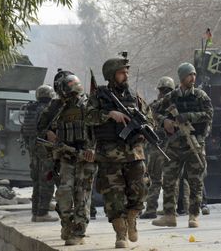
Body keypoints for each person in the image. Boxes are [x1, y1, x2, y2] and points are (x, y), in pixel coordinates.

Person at [86, 58, 150, 248]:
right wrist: (109, 115)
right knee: (114, 197)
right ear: (112, 75)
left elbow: (149, 117)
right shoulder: (99, 96)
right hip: (109, 156)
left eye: (127, 72)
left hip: (134, 154)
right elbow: (87, 117)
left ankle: (132, 218)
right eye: (122, 72)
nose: (126, 75)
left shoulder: (134, 96)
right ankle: (120, 234)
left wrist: (144, 127)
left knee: (140, 190)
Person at [38, 71, 96, 246]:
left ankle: (78, 231)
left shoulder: (90, 104)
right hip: (65, 156)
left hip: (86, 157)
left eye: (75, 92)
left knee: (82, 195)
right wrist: (48, 133)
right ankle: (67, 224)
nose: (73, 96)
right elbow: (39, 128)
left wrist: (93, 149)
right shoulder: (55, 107)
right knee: (64, 193)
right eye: (69, 93)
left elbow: (101, 130)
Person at [152, 62, 213, 228]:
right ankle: (169, 215)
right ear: (182, 77)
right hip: (175, 145)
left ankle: (193, 215)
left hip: (195, 144)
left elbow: (208, 114)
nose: (193, 78)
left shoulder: (200, 96)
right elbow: (155, 110)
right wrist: (165, 121)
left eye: (194, 74)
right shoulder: (171, 97)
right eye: (189, 75)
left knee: (195, 181)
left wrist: (187, 116)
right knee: (169, 181)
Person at [21, 84, 58, 222]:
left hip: (33, 148)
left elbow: (25, 131)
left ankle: (35, 212)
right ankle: (42, 213)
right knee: (47, 180)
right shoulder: (48, 110)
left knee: (36, 181)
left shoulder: (31, 109)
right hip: (45, 148)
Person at [140, 76, 175, 219]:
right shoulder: (177, 105)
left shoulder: (154, 106)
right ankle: (172, 209)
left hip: (157, 147)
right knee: (173, 179)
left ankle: (151, 209)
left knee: (154, 179)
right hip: (173, 147)